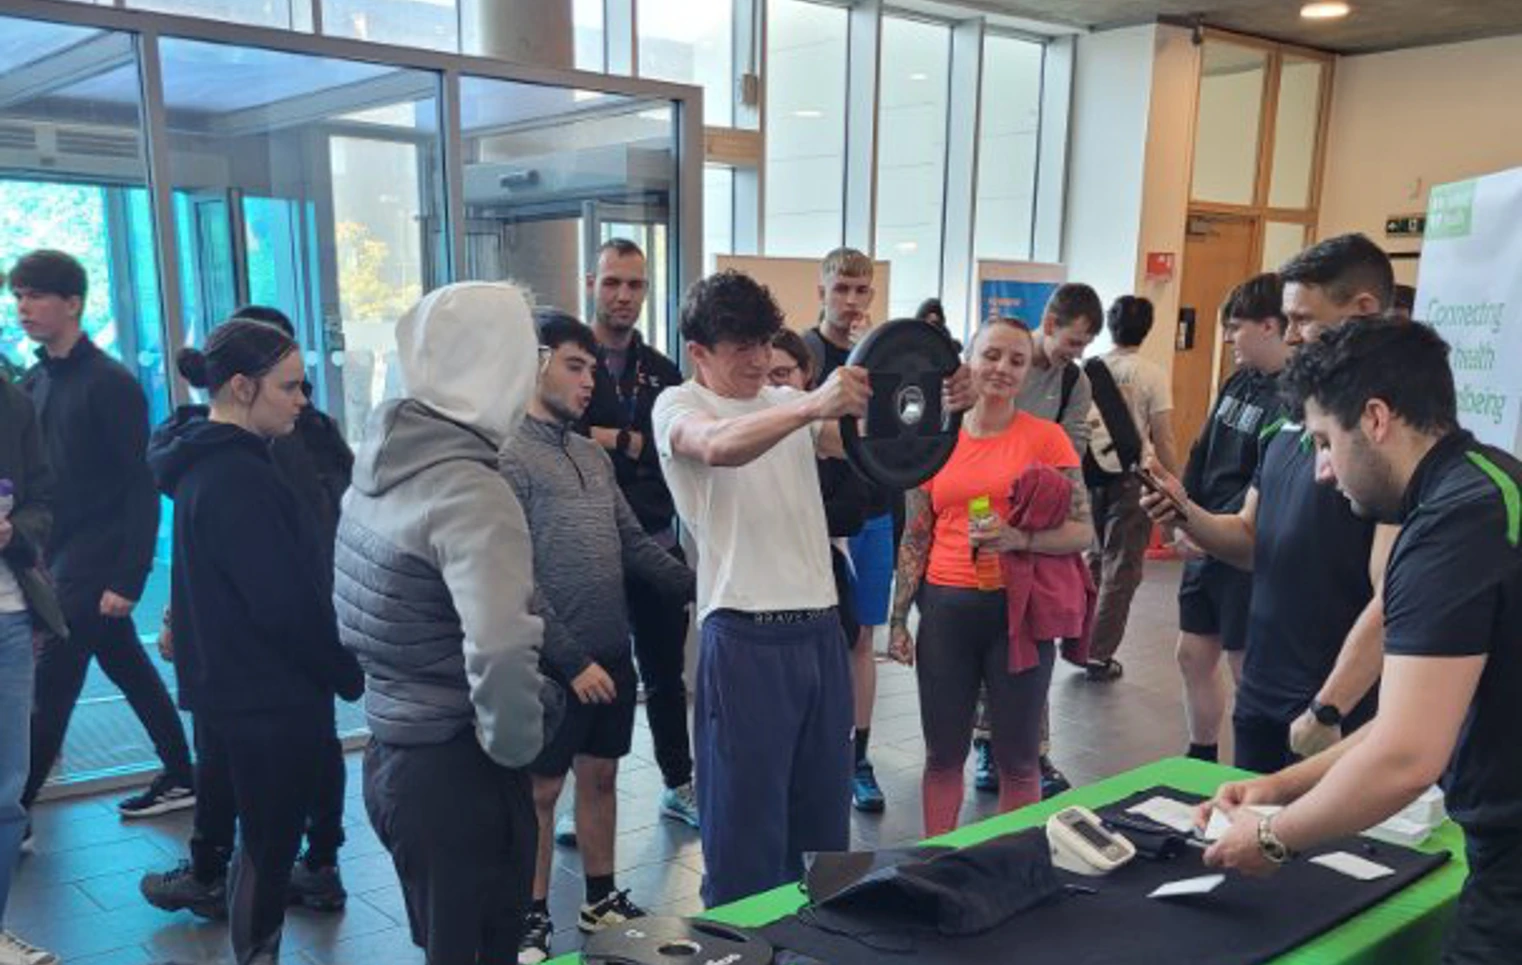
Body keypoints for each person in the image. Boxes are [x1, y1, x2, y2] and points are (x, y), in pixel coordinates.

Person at [1199, 316, 1522, 964]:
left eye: (1325, 441)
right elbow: (1412, 715)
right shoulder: (1488, 479)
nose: (1322, 470)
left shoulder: (1452, 526)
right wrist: (1280, 786)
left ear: (1375, 418)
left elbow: (1406, 756)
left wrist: (1274, 837)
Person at [652, 270, 971, 906]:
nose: (757, 359)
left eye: (762, 343)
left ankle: (812, 940)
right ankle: (741, 941)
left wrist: (944, 401)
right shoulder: (678, 406)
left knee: (822, 828)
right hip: (744, 634)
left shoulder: (781, 403)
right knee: (745, 830)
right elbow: (716, 447)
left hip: (821, 631)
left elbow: (884, 442)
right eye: (739, 347)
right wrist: (808, 402)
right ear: (698, 352)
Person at [334, 283, 560, 965]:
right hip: (460, 770)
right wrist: (521, 746)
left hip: (393, 753)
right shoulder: (469, 487)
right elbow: (501, 650)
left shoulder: (383, 460)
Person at [146, 320, 364, 964]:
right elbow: (280, 603)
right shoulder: (239, 476)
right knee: (269, 847)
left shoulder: (204, 463)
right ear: (242, 387)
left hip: (233, 686)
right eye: (289, 387)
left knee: (261, 844)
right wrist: (342, 668)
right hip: (267, 693)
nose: (302, 401)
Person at [1144, 234, 1397, 773]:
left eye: (1304, 319)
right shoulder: (1288, 421)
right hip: (1263, 692)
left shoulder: (1391, 441)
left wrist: (1330, 707)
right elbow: (1248, 540)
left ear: (1363, 311)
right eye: (1287, 320)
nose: (1292, 335)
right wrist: (1184, 511)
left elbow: (1392, 600)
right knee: (1254, 820)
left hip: (1334, 707)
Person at [502, 311, 694, 965]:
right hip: (553, 664)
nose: (589, 381)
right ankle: (530, 915)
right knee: (540, 792)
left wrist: (699, 585)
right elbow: (517, 579)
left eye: (591, 369)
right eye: (574, 366)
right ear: (537, 363)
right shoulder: (509, 456)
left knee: (603, 777)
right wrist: (572, 660)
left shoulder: (590, 454)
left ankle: (600, 898)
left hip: (611, 652)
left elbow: (633, 542)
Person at [10, 250, 195, 823]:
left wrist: (129, 577)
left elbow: (141, 485)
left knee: (52, 687)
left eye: (36, 296)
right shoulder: (35, 382)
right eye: (17, 296)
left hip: (97, 560)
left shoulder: (110, 384)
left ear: (72, 303)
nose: (23, 308)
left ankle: (14, 814)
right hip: (57, 557)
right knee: (125, 663)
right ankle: (182, 773)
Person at [889, 315, 1093, 835]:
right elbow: (915, 534)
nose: (1002, 368)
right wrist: (897, 619)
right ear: (969, 360)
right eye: (992, 355)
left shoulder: (1047, 440)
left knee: (1018, 759)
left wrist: (1019, 538)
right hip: (946, 609)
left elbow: (1082, 531)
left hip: (1018, 614)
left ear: (1027, 372)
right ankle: (938, 860)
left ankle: (1011, 863)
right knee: (942, 755)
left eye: (1017, 360)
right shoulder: (934, 439)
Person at [578, 240, 698, 829]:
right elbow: (558, 438)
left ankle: (678, 783)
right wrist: (630, 444)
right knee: (588, 675)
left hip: (652, 539)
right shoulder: (569, 361)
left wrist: (614, 440)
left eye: (635, 284)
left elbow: (669, 452)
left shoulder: (663, 372)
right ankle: (582, 796)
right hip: (586, 546)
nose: (624, 295)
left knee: (665, 674)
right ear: (591, 284)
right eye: (612, 282)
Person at [969, 282, 1103, 797]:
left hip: (1036, 518)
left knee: (1030, 638)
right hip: (980, 511)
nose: (1077, 353)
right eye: (1072, 341)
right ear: (1049, 325)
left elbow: (1071, 447)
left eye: (1084, 345)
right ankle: (987, 745)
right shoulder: (994, 361)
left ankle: (1030, 752)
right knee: (986, 640)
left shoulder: (1075, 382)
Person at [1170, 274, 1292, 762]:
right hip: (1206, 536)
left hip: (1243, 547)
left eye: (1236, 327)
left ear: (1269, 326)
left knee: (1247, 671)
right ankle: (1200, 756)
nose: (1227, 339)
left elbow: (1265, 483)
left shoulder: (1293, 399)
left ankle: (1256, 772)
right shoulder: (1238, 380)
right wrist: (1184, 516)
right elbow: (1202, 452)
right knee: (1192, 655)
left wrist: (1212, 529)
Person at [803, 248, 891, 813]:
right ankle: (817, 752)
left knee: (862, 638)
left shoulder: (884, 356)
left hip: (875, 510)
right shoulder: (802, 354)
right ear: (822, 291)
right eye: (842, 289)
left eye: (861, 290)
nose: (852, 301)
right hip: (816, 515)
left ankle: (858, 758)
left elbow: (902, 429)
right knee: (818, 638)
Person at [0, 364, 66, 965]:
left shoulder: (13, 404)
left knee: (5, 794)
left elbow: (42, 502)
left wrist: (12, 532)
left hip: (9, 619)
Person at [1081, 295, 1178, 681]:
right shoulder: (1152, 373)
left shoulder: (1091, 368)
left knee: (1093, 558)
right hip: (1132, 477)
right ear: (1147, 328)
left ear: (1110, 325)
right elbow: (1163, 436)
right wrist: (1173, 483)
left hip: (1092, 474)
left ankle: (1078, 641)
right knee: (1122, 566)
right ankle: (1098, 653)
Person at [769, 329, 869, 681]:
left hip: (824, 579)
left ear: (806, 373)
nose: (773, 388)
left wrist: (785, 517)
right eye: (764, 377)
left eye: (782, 374)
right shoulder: (744, 432)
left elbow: (851, 514)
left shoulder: (826, 431)